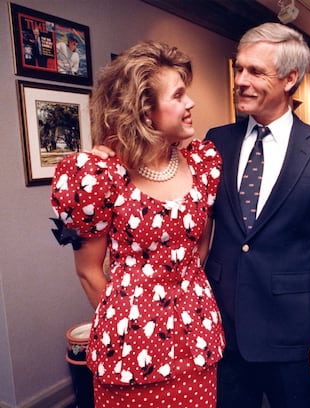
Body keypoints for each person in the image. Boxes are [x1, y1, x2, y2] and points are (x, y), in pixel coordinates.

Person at [50, 41, 224, 407]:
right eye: (178, 95)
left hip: (197, 338)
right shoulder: (100, 176)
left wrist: (182, 310)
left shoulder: (203, 164)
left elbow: (201, 246)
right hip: (129, 352)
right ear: (146, 111)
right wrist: (133, 323)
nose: (190, 103)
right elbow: (88, 271)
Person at [204, 22, 310, 408]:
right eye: (239, 69)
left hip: (292, 332)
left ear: (289, 79)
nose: (241, 80)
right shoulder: (217, 141)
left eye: (255, 72)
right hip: (225, 326)